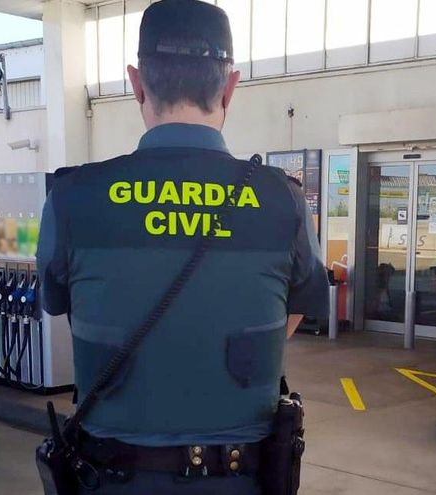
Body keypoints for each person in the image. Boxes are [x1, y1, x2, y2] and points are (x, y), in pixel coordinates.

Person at [36, 0, 329, 493]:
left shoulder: (72, 199)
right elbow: (296, 308)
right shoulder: (282, 200)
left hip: (112, 479)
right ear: (230, 86)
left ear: (136, 83)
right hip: (242, 480)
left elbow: (58, 304)